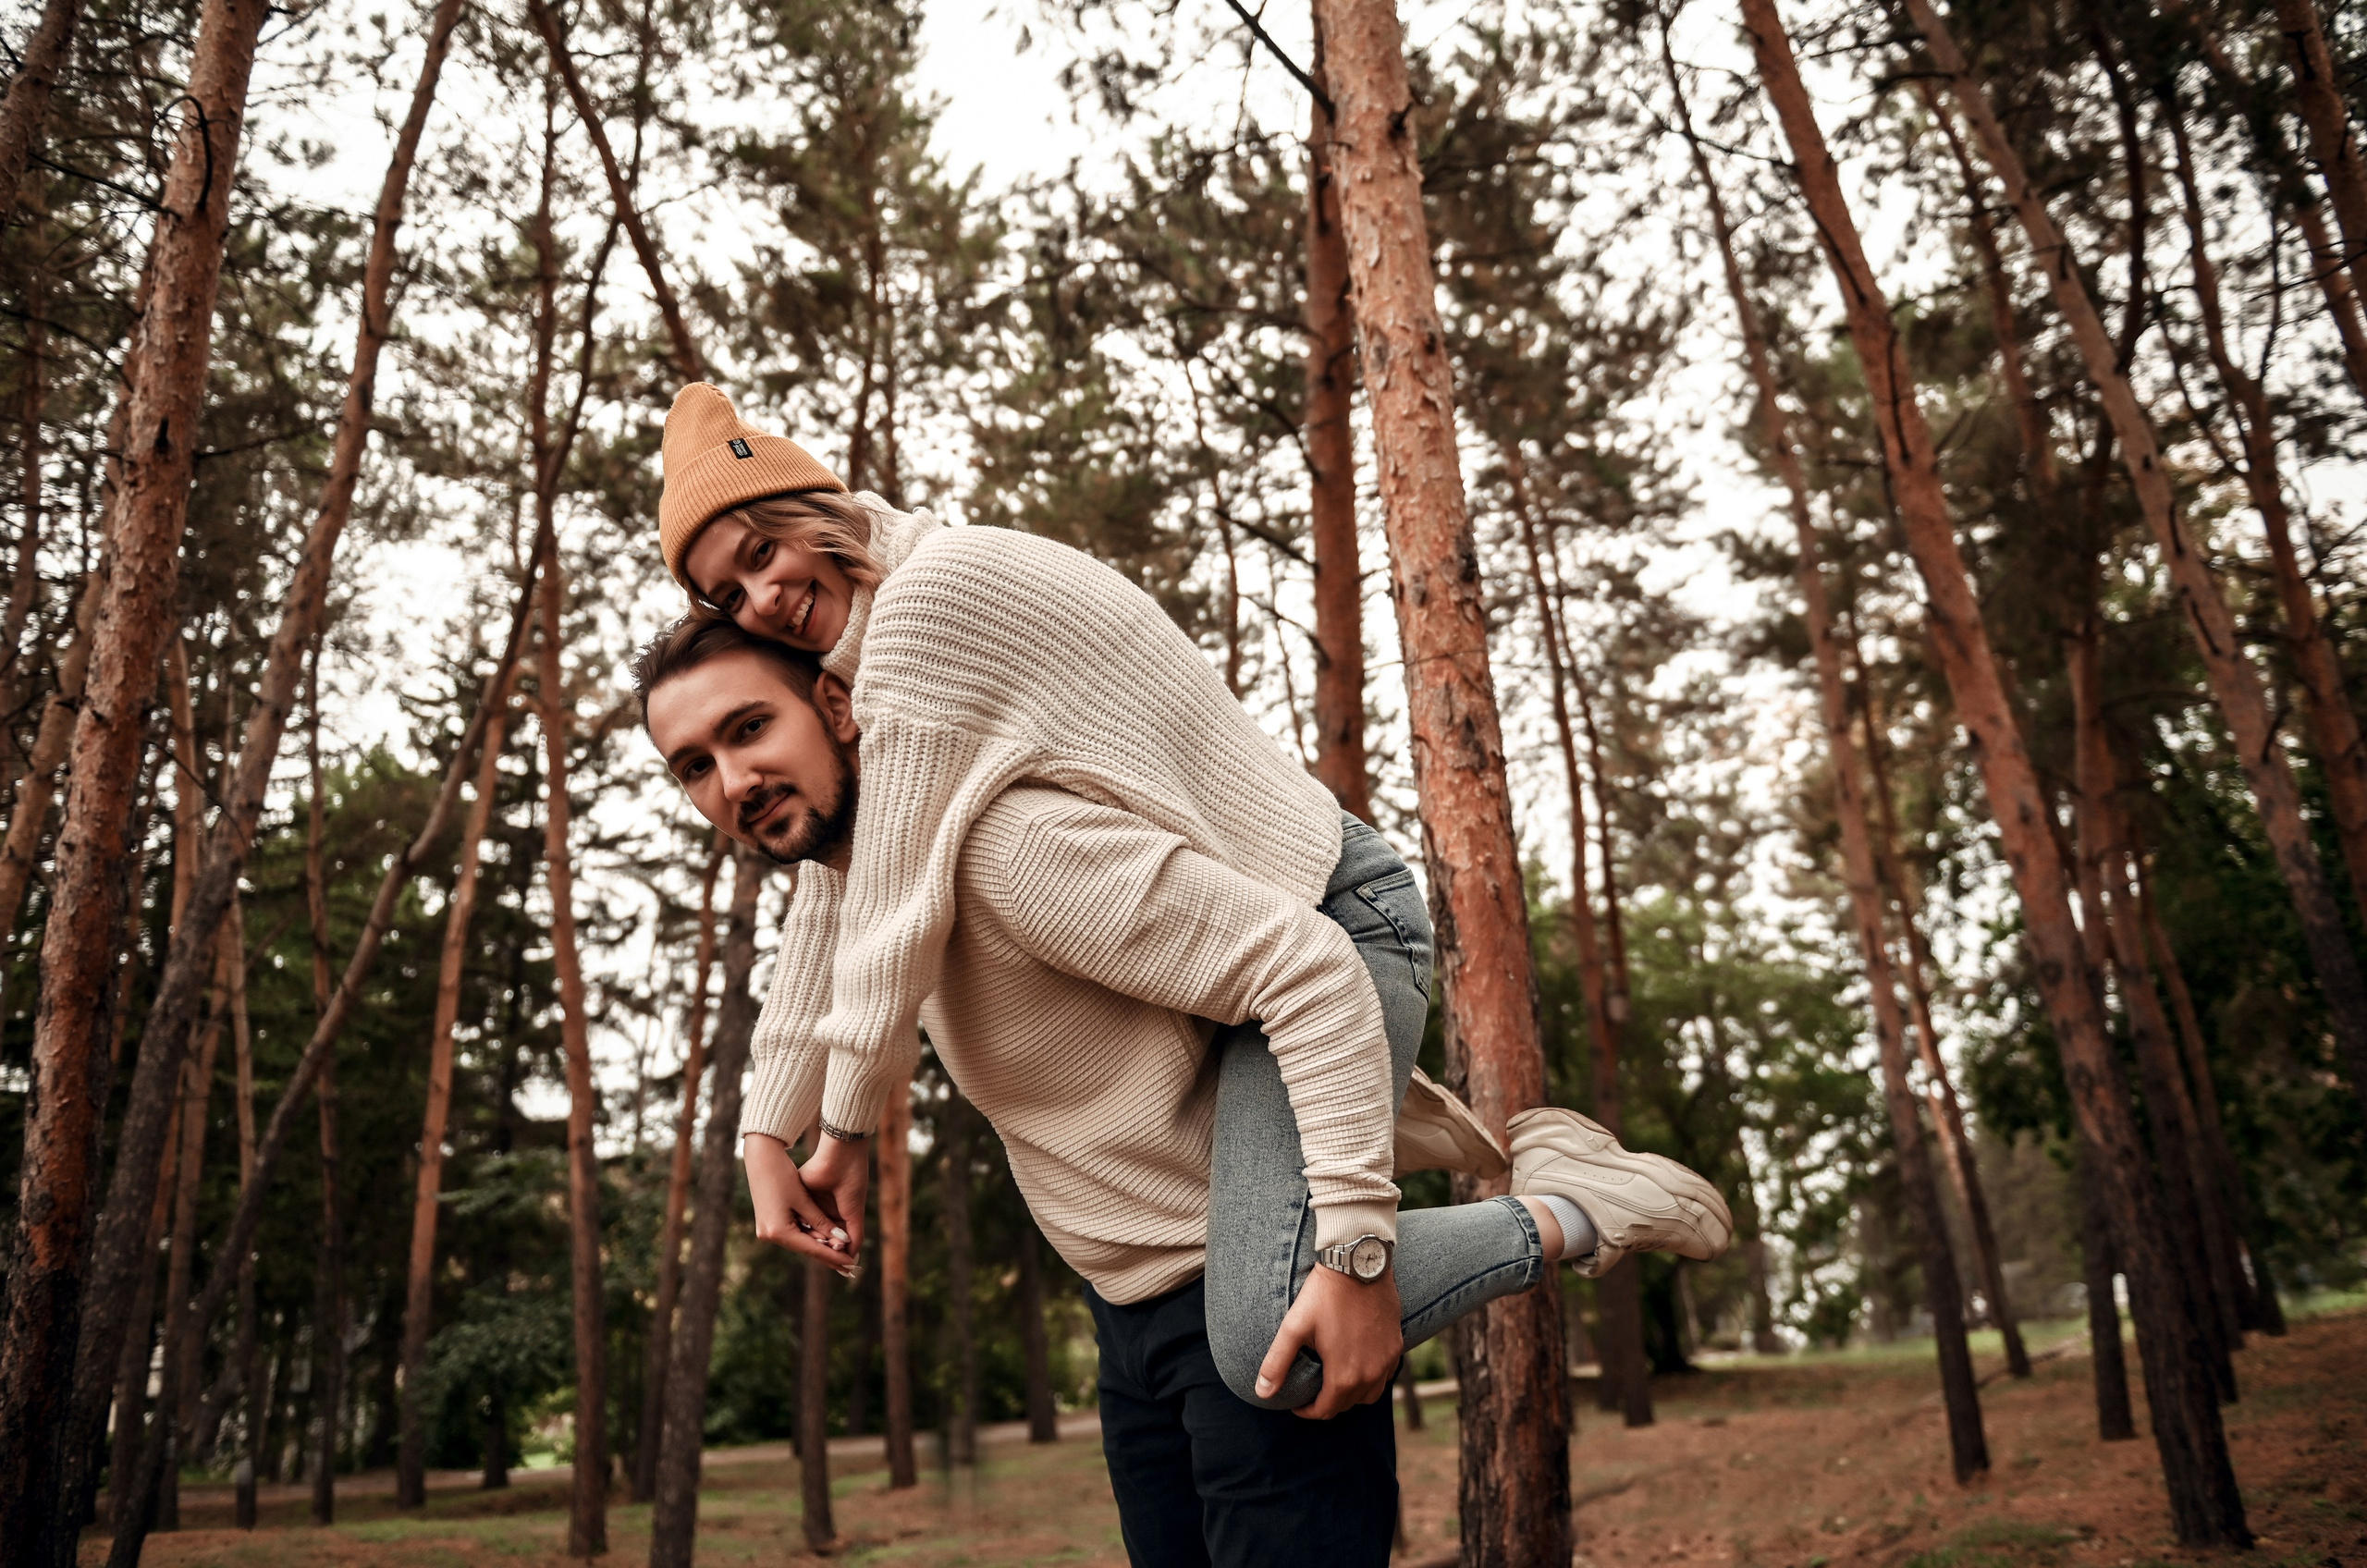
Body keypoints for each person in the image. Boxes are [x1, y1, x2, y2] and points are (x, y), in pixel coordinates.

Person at [634, 616, 1733, 1567]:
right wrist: (764, 1136)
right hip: (1127, 1324)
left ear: (837, 701)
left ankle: (1570, 1209)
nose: (731, 782)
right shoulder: (867, 883)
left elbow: (1311, 967)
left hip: (1250, 1293)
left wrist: (1350, 1250)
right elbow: (809, 971)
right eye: (692, 765)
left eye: (748, 729)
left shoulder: (1008, 852)